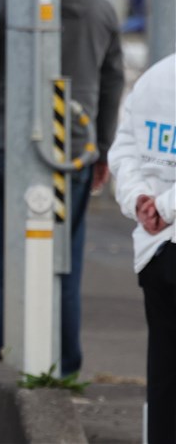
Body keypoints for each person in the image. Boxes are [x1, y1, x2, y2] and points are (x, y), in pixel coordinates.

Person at [0, 0, 125, 376]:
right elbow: (112, 84)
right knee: (65, 262)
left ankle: (12, 353)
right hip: (75, 156)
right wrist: (102, 150)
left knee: (1, 260)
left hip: (13, 152)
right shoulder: (102, 10)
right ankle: (64, 364)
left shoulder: (7, 2)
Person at [108, 53, 175, 444]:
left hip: (154, 250)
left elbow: (124, 151)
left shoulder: (155, 77)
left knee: (164, 376)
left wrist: (140, 201)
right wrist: (164, 208)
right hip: (164, 227)